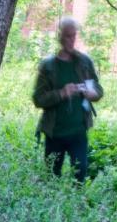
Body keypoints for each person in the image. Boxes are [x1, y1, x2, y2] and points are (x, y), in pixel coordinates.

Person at [33, 16, 103, 183]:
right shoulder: (48, 66)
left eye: (74, 36)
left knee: (80, 176)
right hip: (54, 132)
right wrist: (61, 93)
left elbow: (98, 90)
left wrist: (92, 94)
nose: (71, 40)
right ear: (60, 37)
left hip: (78, 132)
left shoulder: (84, 62)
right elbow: (38, 99)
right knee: (52, 177)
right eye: (67, 36)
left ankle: (78, 207)